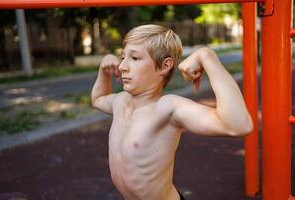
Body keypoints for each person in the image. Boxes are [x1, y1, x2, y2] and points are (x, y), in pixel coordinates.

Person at [91, 24, 253, 200]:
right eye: (123, 57)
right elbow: (98, 99)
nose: (122, 66)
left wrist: (207, 57)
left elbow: (239, 126)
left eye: (135, 58)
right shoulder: (121, 101)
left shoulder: (167, 107)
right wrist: (104, 70)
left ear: (164, 66)